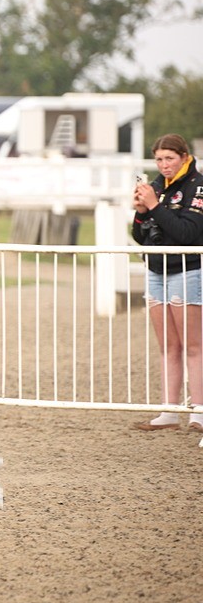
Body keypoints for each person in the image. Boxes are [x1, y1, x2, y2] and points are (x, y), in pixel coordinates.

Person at [131, 133, 203, 432]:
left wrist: (155, 206)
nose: (164, 165)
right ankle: (169, 411)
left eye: (169, 158)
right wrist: (140, 211)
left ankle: (198, 413)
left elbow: (187, 233)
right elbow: (139, 236)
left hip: (188, 271)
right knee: (167, 346)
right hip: (156, 272)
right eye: (159, 159)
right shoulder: (157, 186)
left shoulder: (198, 186)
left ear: (184, 157)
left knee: (194, 346)